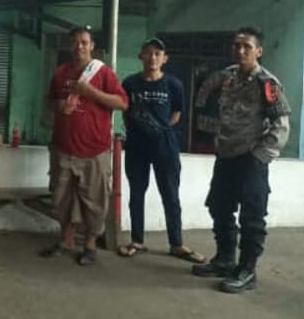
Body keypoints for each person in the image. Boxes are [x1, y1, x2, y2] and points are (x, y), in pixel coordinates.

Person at [191, 26, 290, 294]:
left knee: (251, 217)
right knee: (219, 207)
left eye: (247, 46)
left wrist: (259, 157)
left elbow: (281, 127)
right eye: (237, 46)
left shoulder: (267, 83)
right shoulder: (228, 77)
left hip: (251, 159)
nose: (241, 51)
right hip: (226, 156)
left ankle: (247, 270)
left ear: (259, 51)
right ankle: (225, 260)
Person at [40, 26, 128, 265]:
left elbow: (122, 103)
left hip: (94, 150)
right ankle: (65, 240)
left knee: (94, 202)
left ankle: (90, 245)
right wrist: (59, 105)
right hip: (63, 148)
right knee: (62, 199)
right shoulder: (61, 72)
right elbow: (49, 100)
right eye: (75, 42)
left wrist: (90, 92)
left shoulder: (103, 73)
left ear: (92, 46)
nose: (79, 46)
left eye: (84, 42)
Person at [117, 38, 204, 263]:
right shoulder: (130, 83)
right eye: (148, 52)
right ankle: (137, 240)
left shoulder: (174, 84)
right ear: (141, 56)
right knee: (136, 193)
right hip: (136, 146)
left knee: (170, 194)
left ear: (165, 59)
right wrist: (139, 131)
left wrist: (160, 131)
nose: (153, 57)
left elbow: (176, 114)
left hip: (165, 146)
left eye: (157, 53)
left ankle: (176, 244)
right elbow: (126, 112)